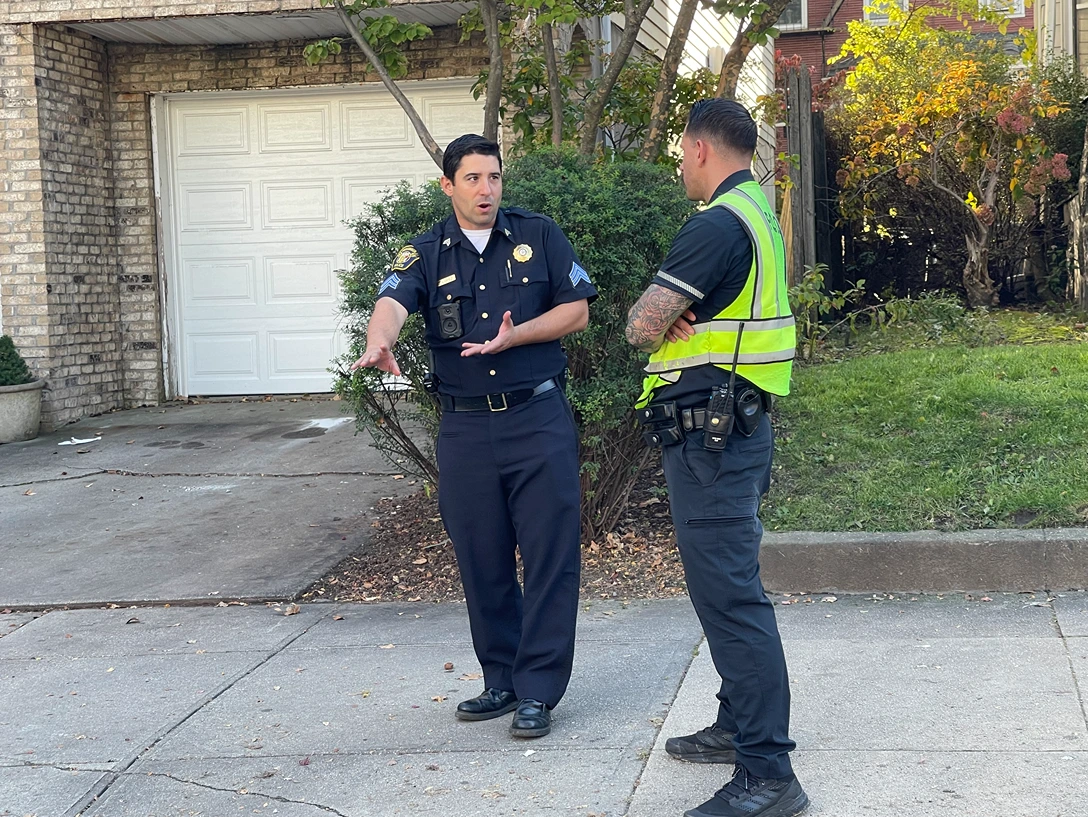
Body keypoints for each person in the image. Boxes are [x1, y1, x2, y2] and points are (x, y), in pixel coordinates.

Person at [351, 134, 596, 739]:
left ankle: (539, 689)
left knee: (548, 558)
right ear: (448, 186)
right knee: (481, 558)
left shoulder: (538, 235)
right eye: (473, 179)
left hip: (535, 419)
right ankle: (503, 679)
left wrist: (519, 335)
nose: (486, 190)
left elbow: (578, 310)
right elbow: (391, 301)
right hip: (464, 428)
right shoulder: (426, 252)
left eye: (493, 178)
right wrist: (378, 342)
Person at [624, 99, 808, 817]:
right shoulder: (758, 216)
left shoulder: (715, 225)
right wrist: (672, 310)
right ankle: (738, 724)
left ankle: (768, 773)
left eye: (680, 151)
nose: (678, 165)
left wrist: (658, 312)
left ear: (701, 148)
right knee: (728, 586)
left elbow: (641, 325)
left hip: (712, 441)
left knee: (731, 596)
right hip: (735, 430)